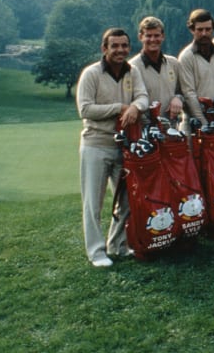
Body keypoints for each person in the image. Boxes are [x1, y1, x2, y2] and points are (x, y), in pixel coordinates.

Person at [76, 28, 149, 267]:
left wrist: (135, 108)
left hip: (123, 146)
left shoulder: (132, 71)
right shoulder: (91, 74)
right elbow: (85, 109)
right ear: (104, 48)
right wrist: (119, 108)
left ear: (129, 48)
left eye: (124, 46)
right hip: (95, 145)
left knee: (127, 199)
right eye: (114, 46)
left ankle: (117, 245)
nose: (120, 50)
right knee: (93, 202)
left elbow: (143, 97)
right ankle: (96, 253)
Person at [178, 9, 214, 129]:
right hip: (195, 123)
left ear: (213, 29)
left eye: (208, 29)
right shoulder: (186, 57)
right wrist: (205, 123)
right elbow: (189, 94)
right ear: (192, 30)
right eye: (200, 30)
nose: (204, 33)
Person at [129, 16, 183, 124]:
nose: (153, 40)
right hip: (144, 130)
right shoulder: (132, 67)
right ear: (140, 37)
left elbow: (183, 91)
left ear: (163, 36)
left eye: (156, 35)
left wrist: (178, 98)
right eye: (148, 36)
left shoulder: (173, 63)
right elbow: (130, 101)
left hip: (172, 129)